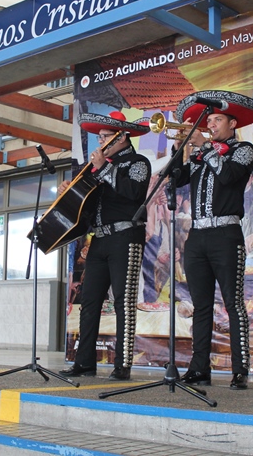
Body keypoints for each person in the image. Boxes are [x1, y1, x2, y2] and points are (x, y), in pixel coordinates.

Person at [174, 91, 253, 389]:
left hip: (226, 233)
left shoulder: (243, 149)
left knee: (232, 302)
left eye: (216, 119)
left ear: (232, 122)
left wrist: (207, 149)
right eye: (208, 120)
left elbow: (229, 177)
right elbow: (176, 181)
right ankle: (199, 367)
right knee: (200, 305)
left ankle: (240, 369)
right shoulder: (201, 154)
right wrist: (181, 151)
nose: (211, 124)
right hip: (197, 234)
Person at [60, 111, 151, 381]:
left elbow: (134, 193)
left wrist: (105, 168)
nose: (99, 142)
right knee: (89, 302)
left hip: (126, 236)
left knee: (123, 302)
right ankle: (84, 362)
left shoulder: (139, 162)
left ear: (121, 136)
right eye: (98, 137)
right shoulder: (97, 167)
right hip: (98, 239)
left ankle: (122, 364)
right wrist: (71, 190)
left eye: (104, 137)